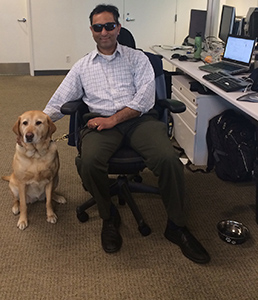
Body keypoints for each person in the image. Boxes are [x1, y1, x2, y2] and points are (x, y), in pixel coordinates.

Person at [43, 4, 210, 264]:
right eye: (98, 27)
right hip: (99, 124)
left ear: (118, 28)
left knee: (168, 160)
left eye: (109, 26)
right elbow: (58, 101)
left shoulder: (137, 58)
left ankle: (176, 227)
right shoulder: (82, 67)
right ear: (92, 31)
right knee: (89, 162)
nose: (104, 32)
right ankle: (109, 217)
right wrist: (34, 123)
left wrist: (114, 119)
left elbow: (145, 98)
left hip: (139, 121)